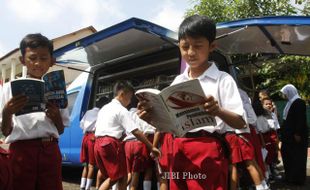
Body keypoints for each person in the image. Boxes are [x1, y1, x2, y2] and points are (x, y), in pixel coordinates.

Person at [139, 15, 247, 190]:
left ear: (212, 46)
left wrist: (218, 110)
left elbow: (240, 122)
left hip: (207, 149)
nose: (190, 52)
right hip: (178, 148)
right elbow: (170, 123)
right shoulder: (177, 81)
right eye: (184, 47)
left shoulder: (222, 79)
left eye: (197, 46)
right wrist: (152, 117)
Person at [0, 33, 69, 190]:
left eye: (44, 58)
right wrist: (7, 112)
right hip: (21, 152)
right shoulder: (8, 89)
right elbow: (5, 131)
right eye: (32, 58)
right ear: (22, 60)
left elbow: (61, 129)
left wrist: (57, 117)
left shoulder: (58, 89)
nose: (38, 63)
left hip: (50, 150)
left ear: (52, 61)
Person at [94, 80, 161, 190]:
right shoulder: (121, 110)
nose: (129, 102)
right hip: (110, 143)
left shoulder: (104, 108)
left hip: (98, 143)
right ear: (122, 94)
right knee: (116, 177)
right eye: (129, 98)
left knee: (122, 176)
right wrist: (151, 147)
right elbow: (135, 131)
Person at [280, 84, 308, 185]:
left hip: (296, 136)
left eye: (285, 93)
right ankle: (290, 177)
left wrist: (297, 133)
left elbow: (300, 119)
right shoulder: (290, 102)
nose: (284, 96)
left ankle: (298, 179)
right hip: (289, 136)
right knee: (289, 156)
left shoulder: (299, 102)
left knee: (298, 157)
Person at [80, 96, 109, 190]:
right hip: (92, 138)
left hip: (85, 137)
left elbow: (81, 124)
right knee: (92, 165)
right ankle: (88, 188)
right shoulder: (101, 113)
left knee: (86, 165)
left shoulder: (88, 112)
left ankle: (82, 186)